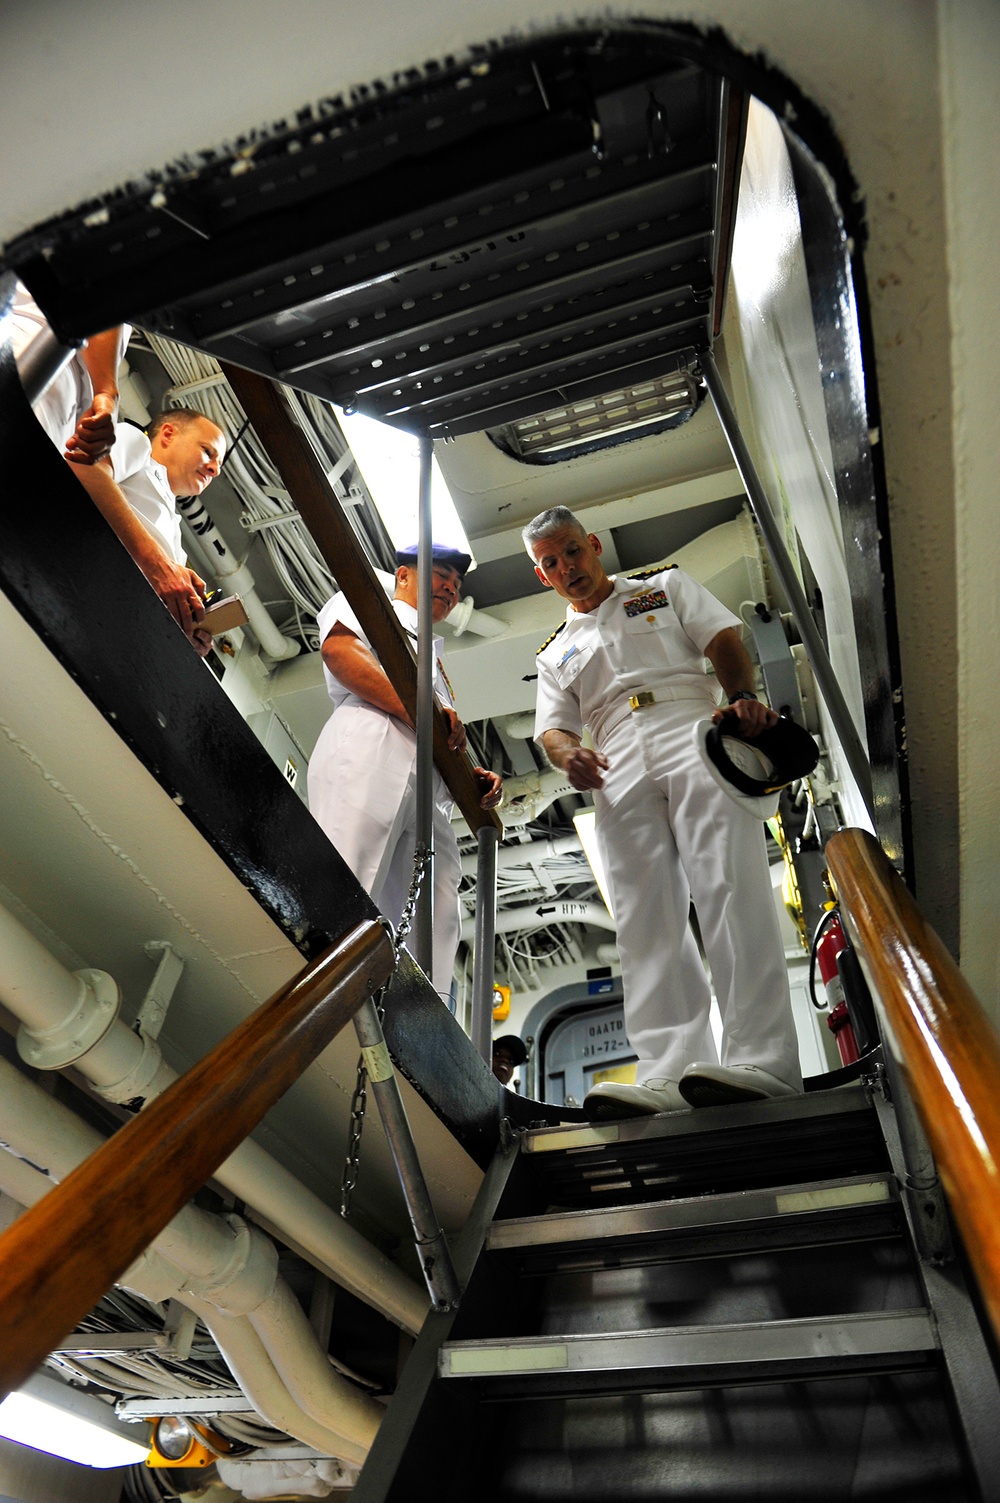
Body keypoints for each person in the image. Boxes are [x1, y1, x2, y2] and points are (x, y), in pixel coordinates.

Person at [524, 505, 802, 1119]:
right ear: (542, 577)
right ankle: (668, 1072)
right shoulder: (555, 654)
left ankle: (764, 1059)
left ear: (593, 545)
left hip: (690, 723)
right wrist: (569, 757)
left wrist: (744, 697)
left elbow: (722, 637)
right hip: (614, 755)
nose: (566, 567)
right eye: (550, 563)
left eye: (571, 551)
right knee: (643, 916)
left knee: (729, 883)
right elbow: (553, 732)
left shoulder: (663, 587)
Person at [307, 544, 503, 1002]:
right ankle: (322, 998)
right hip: (370, 742)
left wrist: (464, 776)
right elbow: (341, 651)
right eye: (440, 574)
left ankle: (417, 1024)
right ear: (401, 575)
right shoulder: (372, 597)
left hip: (424, 788)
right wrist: (425, 715)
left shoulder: (434, 658)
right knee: (350, 885)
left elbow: (432, 732)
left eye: (456, 584)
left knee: (435, 919)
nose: (450, 587)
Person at [12, 285, 216, 652]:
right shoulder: (133, 441)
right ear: (167, 434)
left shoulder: (176, 536)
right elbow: (84, 467)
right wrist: (108, 395)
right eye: (207, 451)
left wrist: (183, 627)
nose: (214, 468)